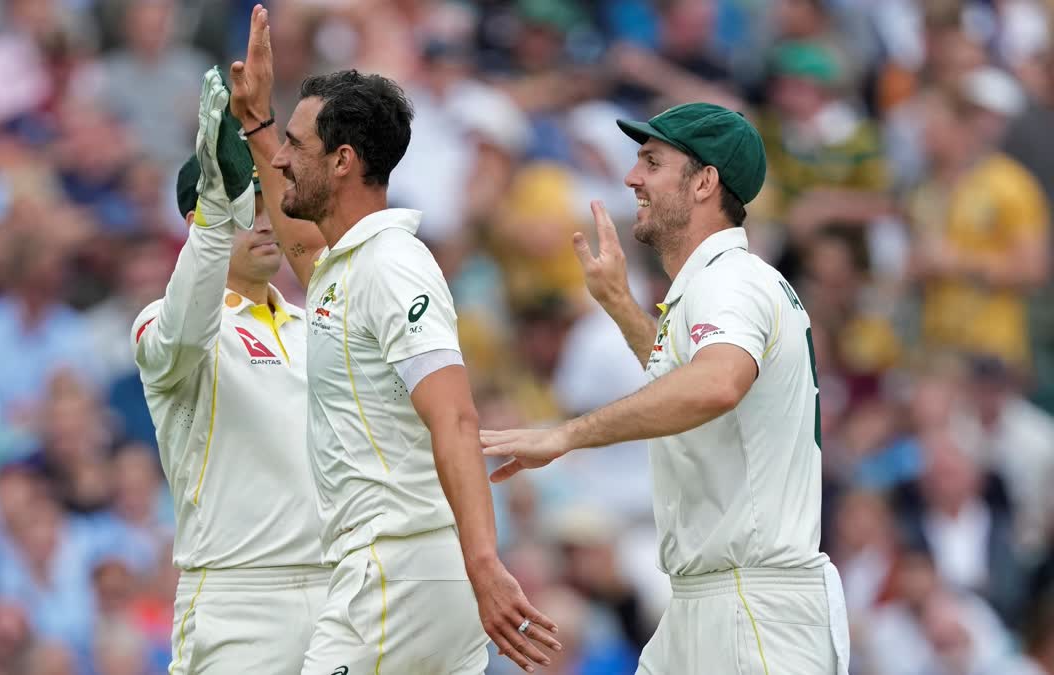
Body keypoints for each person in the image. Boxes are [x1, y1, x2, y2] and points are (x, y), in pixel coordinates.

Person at [226, 6, 559, 673]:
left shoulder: (391, 265)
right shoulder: (349, 264)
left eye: (296, 145)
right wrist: (256, 125)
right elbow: (300, 242)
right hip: (406, 567)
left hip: (399, 566)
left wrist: (485, 562)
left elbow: (456, 415)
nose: (282, 160)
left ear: (343, 161)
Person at [480, 102, 850, 675]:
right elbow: (683, 375)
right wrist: (620, 304)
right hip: (710, 601)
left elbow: (717, 384)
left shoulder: (731, 280)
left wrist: (566, 436)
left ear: (705, 182)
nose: (632, 178)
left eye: (652, 162)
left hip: (751, 608)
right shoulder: (718, 283)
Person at [131, 68, 328, 673]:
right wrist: (219, 215)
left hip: (336, 593)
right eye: (246, 206)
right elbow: (187, 329)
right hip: (237, 597)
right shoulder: (162, 324)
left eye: (267, 201)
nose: (266, 220)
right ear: (201, 218)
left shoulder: (311, 324)